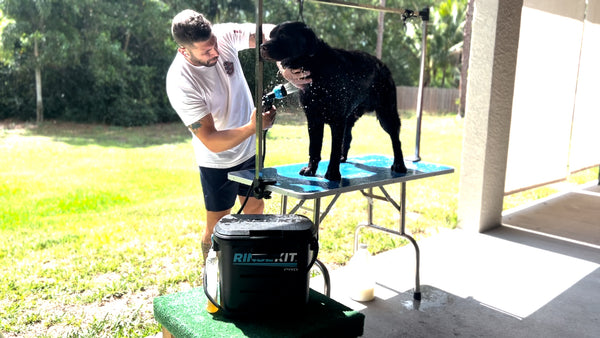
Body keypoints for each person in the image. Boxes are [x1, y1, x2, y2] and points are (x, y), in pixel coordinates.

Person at [166, 9, 311, 265]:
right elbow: (211, 139)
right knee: (217, 225)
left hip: (250, 151)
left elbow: (274, 31)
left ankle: (250, 268)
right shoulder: (180, 81)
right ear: (184, 51)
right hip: (216, 161)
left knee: (255, 211)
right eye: (206, 51)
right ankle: (212, 275)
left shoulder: (223, 36)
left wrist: (284, 65)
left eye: (214, 45)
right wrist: (252, 127)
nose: (215, 53)